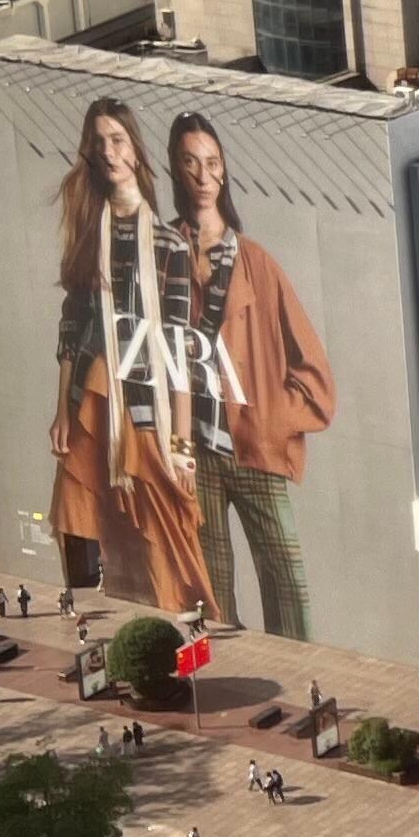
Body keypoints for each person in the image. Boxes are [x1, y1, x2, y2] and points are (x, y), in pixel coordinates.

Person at [167, 112, 337, 639]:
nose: (203, 175)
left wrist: (269, 420)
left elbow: (316, 375)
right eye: (190, 162)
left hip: (254, 448)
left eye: (212, 162)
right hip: (193, 454)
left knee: (287, 583)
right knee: (209, 591)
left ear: (224, 171)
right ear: (175, 170)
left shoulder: (256, 263)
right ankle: (228, 673)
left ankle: (301, 674)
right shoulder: (161, 255)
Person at [48, 94, 203, 608]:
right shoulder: (87, 232)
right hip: (92, 405)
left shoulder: (168, 244)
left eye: (117, 140)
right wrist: (61, 410)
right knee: (103, 531)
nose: (109, 152)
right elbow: (72, 325)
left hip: (147, 415)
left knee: (168, 547)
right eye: (99, 143)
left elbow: (179, 352)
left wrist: (182, 448)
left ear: (135, 148)